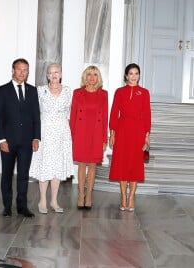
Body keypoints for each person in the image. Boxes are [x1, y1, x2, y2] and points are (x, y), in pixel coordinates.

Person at [0, 58, 41, 218]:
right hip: (8, 142)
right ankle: (7, 206)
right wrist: (1, 140)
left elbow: (36, 116)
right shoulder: (2, 90)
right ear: (13, 70)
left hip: (26, 142)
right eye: (19, 69)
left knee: (23, 175)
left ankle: (22, 206)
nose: (22, 73)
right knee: (6, 174)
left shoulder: (32, 91)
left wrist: (36, 137)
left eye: (25, 70)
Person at [30, 63, 74, 214]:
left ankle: (54, 201)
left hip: (62, 133)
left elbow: (69, 112)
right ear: (47, 76)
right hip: (45, 132)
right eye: (51, 72)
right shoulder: (40, 91)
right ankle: (42, 200)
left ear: (61, 74)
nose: (54, 75)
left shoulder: (68, 91)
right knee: (45, 166)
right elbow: (35, 113)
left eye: (57, 72)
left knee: (57, 167)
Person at [109, 63, 151, 212]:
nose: (134, 76)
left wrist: (147, 136)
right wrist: (112, 134)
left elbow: (147, 114)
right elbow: (114, 112)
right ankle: (123, 196)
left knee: (135, 164)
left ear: (139, 75)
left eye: (136, 73)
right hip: (122, 130)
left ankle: (132, 196)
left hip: (138, 131)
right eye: (131, 73)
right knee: (122, 164)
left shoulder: (144, 92)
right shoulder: (119, 91)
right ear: (126, 75)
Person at [70, 66, 108, 210]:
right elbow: (73, 115)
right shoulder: (77, 93)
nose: (92, 77)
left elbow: (105, 117)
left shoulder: (103, 94)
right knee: (81, 165)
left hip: (96, 133)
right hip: (80, 132)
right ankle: (80, 195)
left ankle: (89, 196)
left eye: (95, 75)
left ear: (98, 78)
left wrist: (105, 138)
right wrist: (71, 136)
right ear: (85, 77)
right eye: (89, 74)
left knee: (92, 165)